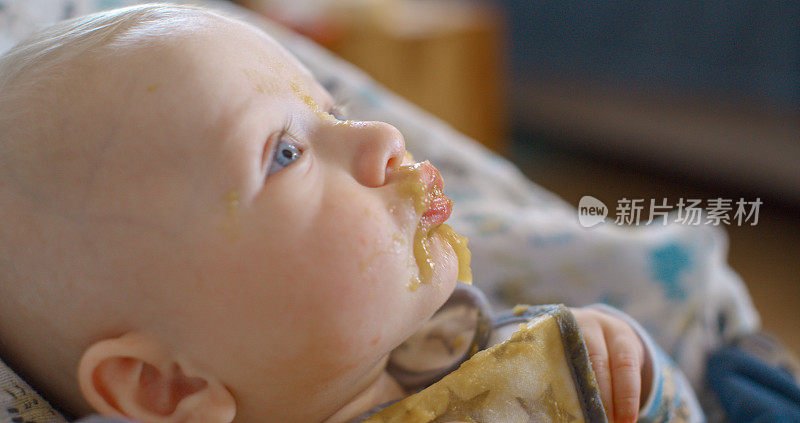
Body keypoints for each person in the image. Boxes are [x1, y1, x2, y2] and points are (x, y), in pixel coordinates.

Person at [0, 4, 700, 422]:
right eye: (284, 153)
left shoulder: (504, 350)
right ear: (167, 385)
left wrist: (638, 375)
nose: (382, 137)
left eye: (333, 112)